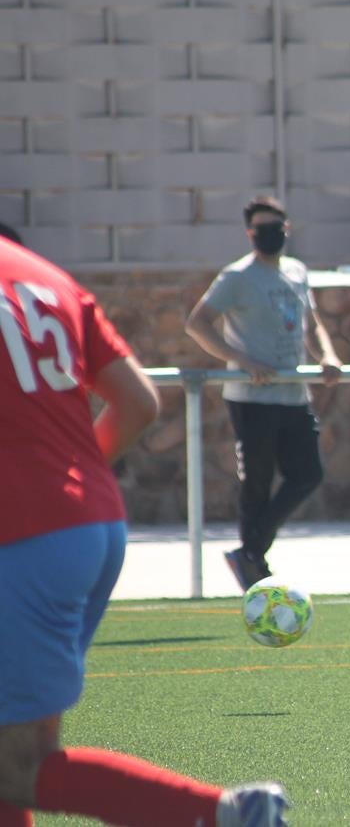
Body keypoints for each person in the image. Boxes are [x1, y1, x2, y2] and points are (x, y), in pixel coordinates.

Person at [0, 238, 290, 826]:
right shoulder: (43, 273)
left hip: (23, 537)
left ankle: (227, 814)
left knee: (15, 768)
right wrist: (71, 487)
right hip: (90, 526)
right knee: (20, 751)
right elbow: (137, 403)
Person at [185, 195, 343, 591]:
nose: (268, 233)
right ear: (249, 232)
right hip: (251, 396)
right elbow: (198, 323)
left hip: (293, 394)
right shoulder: (237, 276)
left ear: (286, 229)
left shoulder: (296, 271)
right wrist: (239, 359)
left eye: (275, 225)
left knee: (307, 473)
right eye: (260, 227)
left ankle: (250, 552)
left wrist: (327, 355)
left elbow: (311, 321)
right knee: (256, 480)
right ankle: (253, 559)